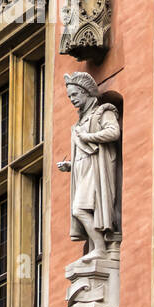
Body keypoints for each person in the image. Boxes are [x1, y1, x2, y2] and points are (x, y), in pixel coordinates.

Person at [56, 72, 121, 259]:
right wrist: (69, 165)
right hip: (82, 170)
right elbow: (83, 150)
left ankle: (100, 248)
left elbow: (113, 132)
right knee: (82, 209)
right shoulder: (79, 121)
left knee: (80, 209)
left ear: (86, 92)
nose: (72, 100)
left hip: (96, 169)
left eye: (75, 95)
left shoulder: (103, 112)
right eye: (69, 96)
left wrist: (88, 137)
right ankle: (96, 247)